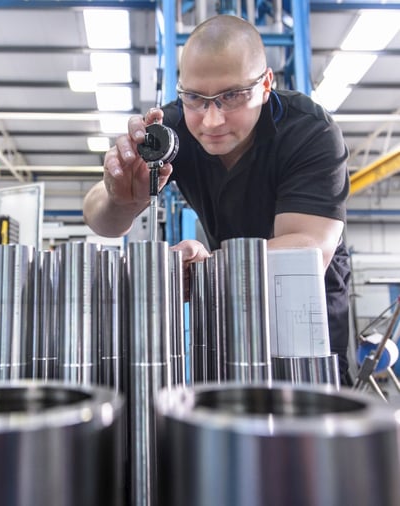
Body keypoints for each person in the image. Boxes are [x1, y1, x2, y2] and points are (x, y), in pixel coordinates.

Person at [83, 14, 351, 385]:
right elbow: (99, 218)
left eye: (232, 96)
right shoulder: (173, 129)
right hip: (230, 317)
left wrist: (210, 265)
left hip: (305, 324)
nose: (211, 120)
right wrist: (120, 196)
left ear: (266, 84)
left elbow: (305, 253)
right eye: (195, 97)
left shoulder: (309, 131)